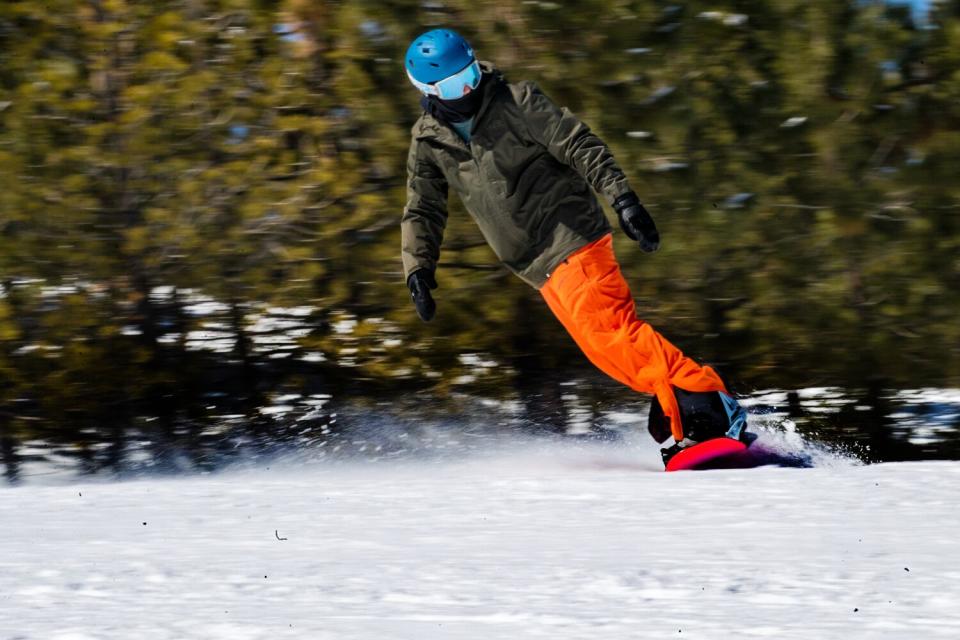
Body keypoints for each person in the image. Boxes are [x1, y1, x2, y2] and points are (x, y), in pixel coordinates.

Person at [400, 29, 748, 466]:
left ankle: (709, 406)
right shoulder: (427, 139)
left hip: (570, 236)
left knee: (615, 334)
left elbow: (578, 143)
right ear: (430, 91)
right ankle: (688, 415)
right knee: (608, 350)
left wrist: (623, 199)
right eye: (455, 85)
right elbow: (423, 208)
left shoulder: (516, 101)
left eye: (470, 74)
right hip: (534, 266)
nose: (468, 88)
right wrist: (418, 268)